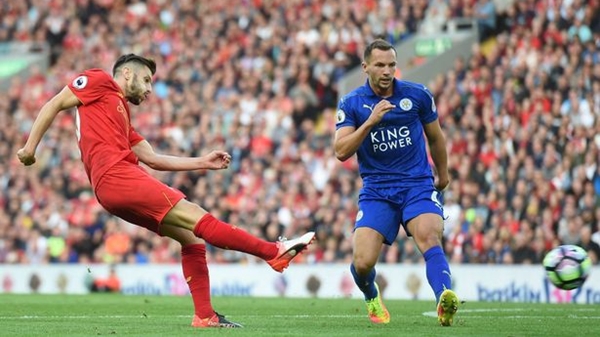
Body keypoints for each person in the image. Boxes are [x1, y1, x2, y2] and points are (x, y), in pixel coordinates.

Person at [17, 54, 315, 328]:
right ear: (128, 74)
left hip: (109, 188)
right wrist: (30, 148)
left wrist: (202, 162)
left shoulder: (121, 118)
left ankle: (205, 315)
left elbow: (154, 159)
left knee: (189, 237)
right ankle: (273, 252)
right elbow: (54, 102)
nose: (149, 89)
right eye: (146, 80)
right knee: (198, 217)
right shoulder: (99, 80)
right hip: (117, 177)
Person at [333, 39, 458, 326]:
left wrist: (444, 173)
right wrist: (369, 123)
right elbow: (341, 152)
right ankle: (371, 295)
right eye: (379, 65)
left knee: (429, 235)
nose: (387, 71)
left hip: (417, 184)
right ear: (365, 67)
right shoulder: (352, 103)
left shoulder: (417, 95)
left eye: (391, 64)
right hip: (377, 191)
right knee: (363, 263)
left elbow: (436, 137)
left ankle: (444, 298)